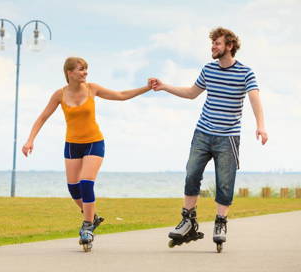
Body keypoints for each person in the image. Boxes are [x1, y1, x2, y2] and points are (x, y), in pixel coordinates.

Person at [149, 27, 268, 251]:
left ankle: (221, 223)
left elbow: (255, 99)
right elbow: (192, 93)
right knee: (191, 174)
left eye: (217, 43)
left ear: (229, 46)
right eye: (212, 43)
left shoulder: (245, 73)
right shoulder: (208, 69)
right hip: (202, 132)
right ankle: (188, 220)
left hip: (228, 137)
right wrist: (164, 86)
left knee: (225, 182)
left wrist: (261, 126)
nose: (213, 47)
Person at [22, 57, 151, 251]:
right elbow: (42, 117)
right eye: (81, 69)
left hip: (94, 143)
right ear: (69, 73)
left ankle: (88, 226)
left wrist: (146, 87)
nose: (85, 73)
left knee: (85, 182)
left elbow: (121, 95)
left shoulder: (92, 89)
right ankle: (92, 216)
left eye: (86, 69)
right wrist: (30, 140)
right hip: (72, 145)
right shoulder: (59, 94)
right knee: (73, 189)